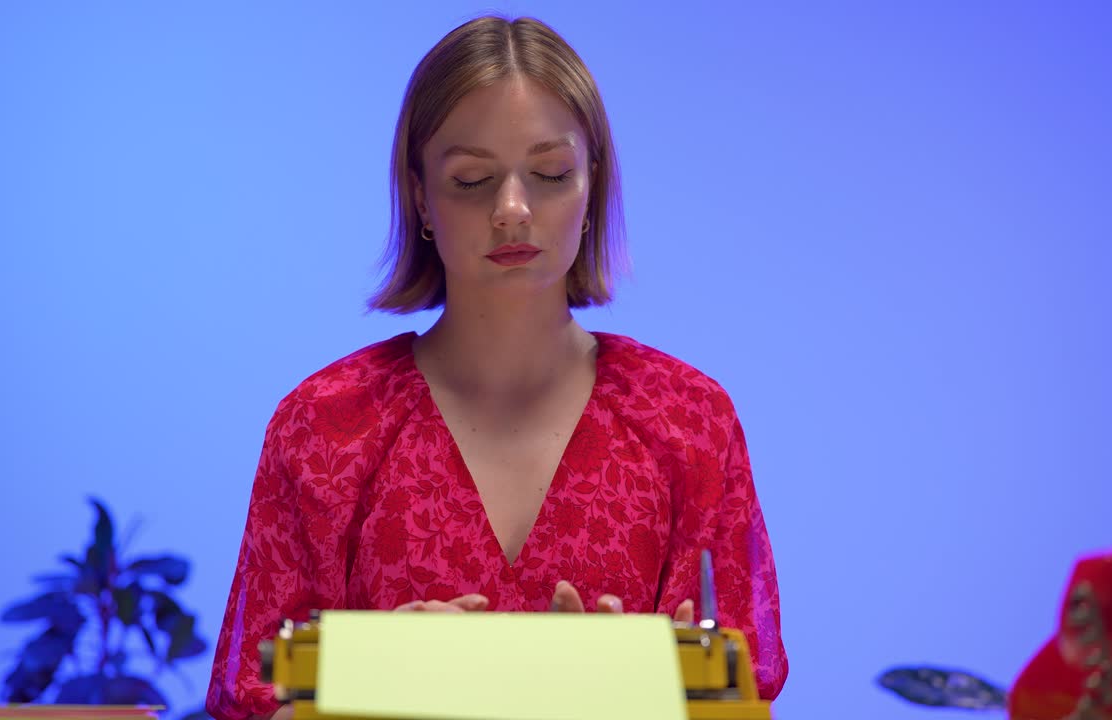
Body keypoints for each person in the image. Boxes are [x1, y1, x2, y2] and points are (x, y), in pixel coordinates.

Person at [206, 15, 788, 720]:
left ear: (592, 185)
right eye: (472, 180)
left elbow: (742, 694)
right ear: (420, 195)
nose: (513, 210)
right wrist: (373, 685)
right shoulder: (324, 426)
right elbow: (249, 701)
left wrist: (628, 695)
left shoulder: (690, 422)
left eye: (549, 174)